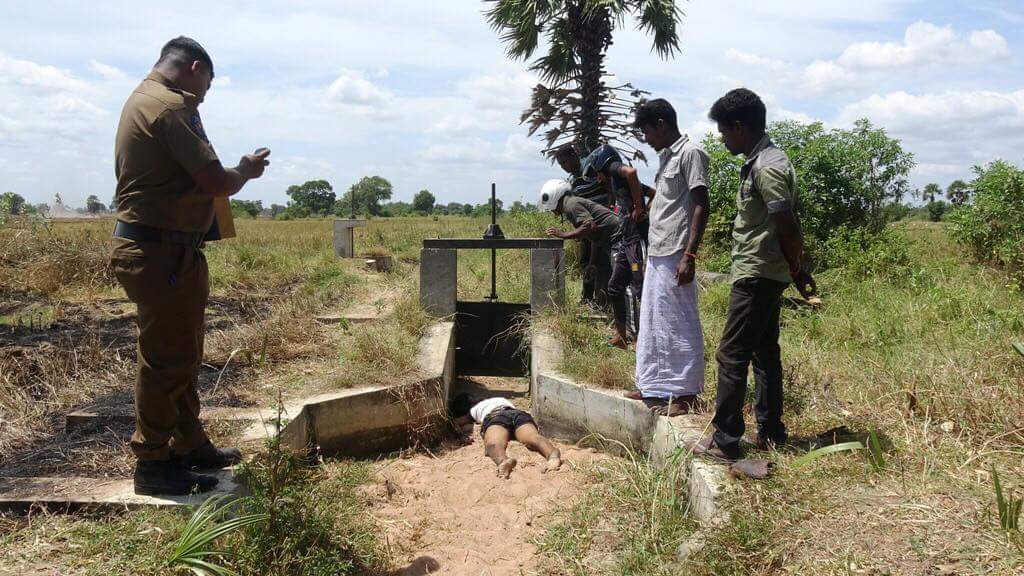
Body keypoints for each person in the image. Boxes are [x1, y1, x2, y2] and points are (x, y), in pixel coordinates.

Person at [109, 37, 271, 495]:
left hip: (163, 249)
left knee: (181, 353)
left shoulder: (144, 100)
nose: (204, 95)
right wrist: (245, 170)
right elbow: (216, 181)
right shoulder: (171, 106)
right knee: (165, 360)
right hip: (162, 252)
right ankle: (154, 464)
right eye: (207, 85)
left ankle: (188, 442)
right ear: (195, 68)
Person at [695, 88, 817, 461]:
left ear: (739, 126)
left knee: (731, 354)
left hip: (758, 273)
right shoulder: (761, 160)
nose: (722, 137)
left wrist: (797, 269)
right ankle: (771, 432)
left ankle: (726, 438)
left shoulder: (767, 166)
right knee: (764, 353)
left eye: (724, 131)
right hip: (762, 270)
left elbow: (786, 222)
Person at [627, 98, 710, 416]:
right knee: (654, 321)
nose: (645, 139)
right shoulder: (667, 158)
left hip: (677, 250)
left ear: (661, 124)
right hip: (658, 249)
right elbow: (667, 202)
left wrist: (690, 253)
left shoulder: (691, 154)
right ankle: (654, 386)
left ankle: (684, 394)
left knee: (679, 323)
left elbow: (701, 203)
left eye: (646, 132)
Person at [580, 144, 649, 347]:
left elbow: (632, 172)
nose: (599, 178)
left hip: (636, 242)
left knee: (638, 287)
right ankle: (621, 336)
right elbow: (652, 192)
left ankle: (640, 339)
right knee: (615, 287)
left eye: (598, 174)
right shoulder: (617, 185)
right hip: (627, 241)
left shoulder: (615, 169)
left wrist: (639, 210)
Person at [538, 180, 622, 297]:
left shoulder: (571, 205)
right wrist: (591, 263)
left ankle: (627, 312)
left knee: (619, 277)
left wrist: (563, 235)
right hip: (612, 239)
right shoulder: (570, 204)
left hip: (618, 237)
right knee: (611, 276)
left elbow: (589, 226)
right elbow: (594, 236)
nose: (551, 210)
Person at [552, 144, 612, 307]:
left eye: (565, 162)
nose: (564, 167)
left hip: (603, 223)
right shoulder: (573, 181)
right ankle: (586, 298)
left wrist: (612, 206)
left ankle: (603, 302)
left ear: (574, 155)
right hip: (588, 224)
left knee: (603, 263)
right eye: (561, 165)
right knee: (586, 261)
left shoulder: (592, 167)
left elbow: (609, 186)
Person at [450, 393, 562, 479]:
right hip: (518, 414)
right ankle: (552, 455)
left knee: (493, 444)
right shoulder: (499, 399)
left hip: (496, 416)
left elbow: (454, 423)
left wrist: (461, 436)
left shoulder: (474, 410)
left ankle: (503, 461)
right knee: (533, 437)